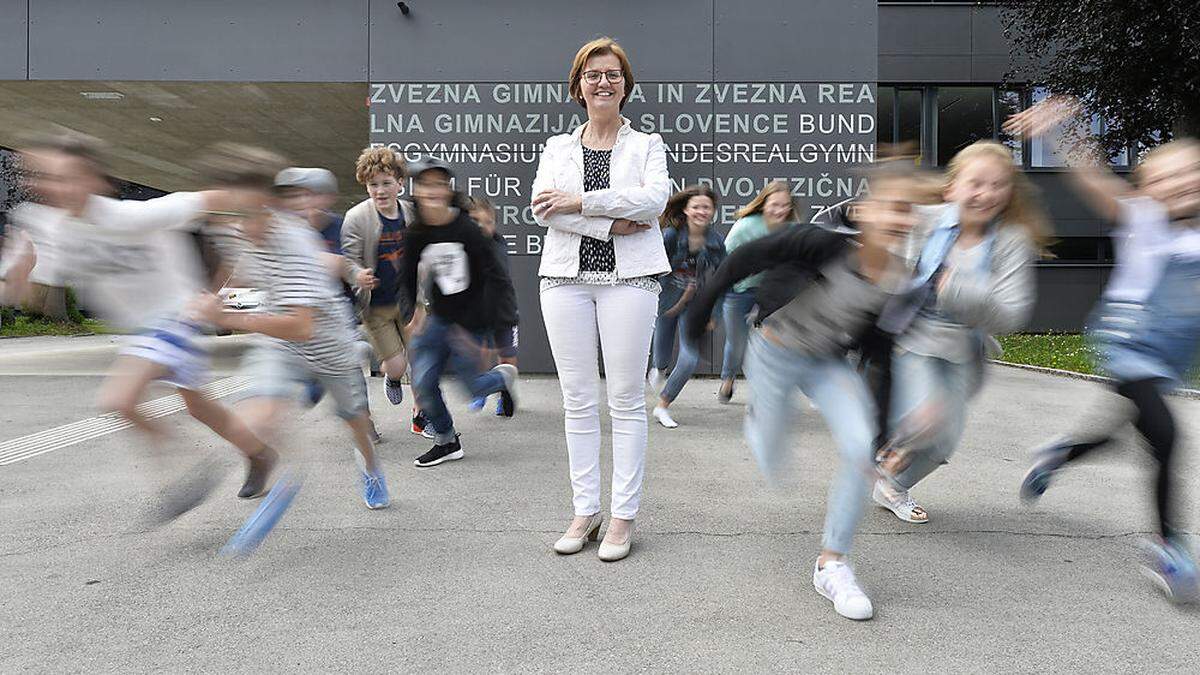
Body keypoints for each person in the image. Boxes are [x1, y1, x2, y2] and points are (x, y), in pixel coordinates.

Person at [685, 161, 931, 620]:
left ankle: (832, 564)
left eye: (909, 211)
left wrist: (880, 435)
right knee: (774, 462)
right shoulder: (822, 243)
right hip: (774, 352)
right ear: (867, 210)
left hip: (827, 363)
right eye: (893, 207)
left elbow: (882, 354)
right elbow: (742, 261)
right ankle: (761, 418)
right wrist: (699, 316)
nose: (901, 219)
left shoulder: (897, 281)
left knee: (859, 450)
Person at [4, 133, 278, 518]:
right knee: (199, 406)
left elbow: (217, 200)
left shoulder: (130, 215)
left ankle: (186, 471)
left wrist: (260, 220)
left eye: (69, 177)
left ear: (95, 180)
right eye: (50, 178)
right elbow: (30, 299)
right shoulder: (51, 229)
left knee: (118, 399)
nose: (59, 188)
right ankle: (259, 453)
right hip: (144, 330)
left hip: (176, 317)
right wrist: (19, 273)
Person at [1007, 97, 1200, 603]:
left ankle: (1059, 454)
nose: (1179, 183)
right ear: (1146, 187)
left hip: (1168, 356)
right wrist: (1059, 131)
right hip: (1128, 340)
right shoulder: (1140, 217)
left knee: (1122, 433)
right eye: (1165, 177)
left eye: (1190, 173)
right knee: (1166, 435)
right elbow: (1092, 175)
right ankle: (1169, 547)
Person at [189, 143, 391, 520]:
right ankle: (278, 468)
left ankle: (371, 467)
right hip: (279, 339)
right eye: (230, 212)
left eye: (245, 212)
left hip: (327, 341)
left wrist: (227, 318)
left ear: (266, 203)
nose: (237, 223)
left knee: (355, 420)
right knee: (258, 412)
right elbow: (232, 265)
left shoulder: (295, 243)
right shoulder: (234, 226)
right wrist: (212, 296)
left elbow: (302, 325)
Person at [532, 37, 670, 562]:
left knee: (627, 401)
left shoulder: (648, 146)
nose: (603, 82)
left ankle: (621, 518)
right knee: (578, 401)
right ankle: (584, 510)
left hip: (630, 283)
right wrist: (611, 223)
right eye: (593, 74)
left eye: (613, 73)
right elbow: (545, 209)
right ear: (578, 86)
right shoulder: (556, 148)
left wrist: (580, 201)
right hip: (565, 279)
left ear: (625, 85)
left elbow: (654, 201)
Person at [872, 140, 1048, 524]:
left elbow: (1011, 315)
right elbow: (884, 262)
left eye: (998, 185)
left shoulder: (1012, 241)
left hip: (966, 347)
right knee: (927, 413)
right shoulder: (925, 221)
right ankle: (894, 446)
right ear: (953, 187)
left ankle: (891, 482)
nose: (986, 194)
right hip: (915, 338)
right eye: (977, 183)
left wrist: (955, 288)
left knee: (944, 442)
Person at [401, 156, 520, 468]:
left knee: (472, 388)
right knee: (424, 383)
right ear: (417, 190)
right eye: (426, 184)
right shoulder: (416, 232)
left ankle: (502, 378)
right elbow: (407, 275)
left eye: (439, 184)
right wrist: (412, 314)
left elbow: (493, 279)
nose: (433, 191)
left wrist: (478, 335)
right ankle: (446, 440)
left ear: (448, 189)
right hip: (438, 318)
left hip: (471, 320)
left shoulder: (466, 228)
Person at [275, 167, 382, 442]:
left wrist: (355, 273)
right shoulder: (286, 228)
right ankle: (316, 381)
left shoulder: (341, 226)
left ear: (328, 198)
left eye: (315, 196)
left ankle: (364, 421)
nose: (308, 203)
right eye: (302, 196)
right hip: (301, 310)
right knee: (304, 366)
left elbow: (349, 263)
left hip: (338, 309)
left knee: (348, 372)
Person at [341, 147, 421, 421]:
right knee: (397, 365)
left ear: (400, 183)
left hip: (411, 302)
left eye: (386, 183)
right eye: (373, 184)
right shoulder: (356, 218)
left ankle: (424, 418)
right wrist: (357, 275)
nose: (380, 190)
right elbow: (348, 260)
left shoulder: (411, 213)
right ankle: (393, 378)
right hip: (377, 307)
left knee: (422, 364)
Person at [647, 185, 726, 428]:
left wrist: (714, 312)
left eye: (706, 207)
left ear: (712, 211)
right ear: (686, 209)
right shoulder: (671, 236)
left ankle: (662, 406)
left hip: (695, 305)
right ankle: (659, 368)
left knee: (690, 358)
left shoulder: (715, 242)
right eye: (696, 207)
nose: (701, 211)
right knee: (661, 358)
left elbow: (723, 279)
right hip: (667, 302)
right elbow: (653, 267)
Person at [716, 181, 798, 403]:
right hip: (739, 292)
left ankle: (762, 393)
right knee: (737, 343)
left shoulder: (791, 230)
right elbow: (725, 260)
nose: (780, 210)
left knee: (768, 344)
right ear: (763, 203)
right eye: (775, 204)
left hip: (771, 296)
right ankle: (728, 379)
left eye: (785, 205)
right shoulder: (746, 226)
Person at [466, 195, 518, 417]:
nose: (483, 227)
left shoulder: (497, 244)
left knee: (507, 357)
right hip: (477, 314)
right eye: (476, 221)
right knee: (480, 354)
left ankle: (505, 391)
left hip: (504, 312)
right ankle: (483, 389)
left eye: (488, 222)